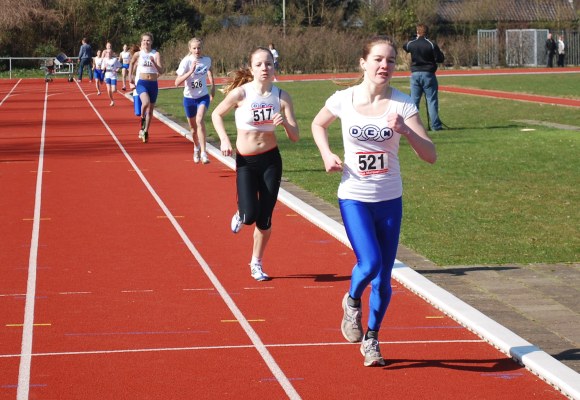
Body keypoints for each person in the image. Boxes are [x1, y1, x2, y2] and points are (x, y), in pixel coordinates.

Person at [311, 35, 437, 366]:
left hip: (389, 199)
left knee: (383, 278)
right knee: (370, 264)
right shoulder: (343, 99)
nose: (385, 65)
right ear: (363, 62)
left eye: (391, 60)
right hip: (355, 197)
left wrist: (406, 131)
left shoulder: (403, 105)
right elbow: (318, 124)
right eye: (378, 59)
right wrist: (326, 154)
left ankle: (372, 338)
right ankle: (352, 301)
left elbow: (430, 155)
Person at [211, 46, 299, 281]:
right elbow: (216, 114)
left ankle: (256, 263)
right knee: (249, 216)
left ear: (274, 66)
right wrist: (224, 139)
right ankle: (241, 212)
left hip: (271, 161)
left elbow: (295, 136)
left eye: (268, 63)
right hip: (246, 163)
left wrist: (284, 124)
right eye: (259, 64)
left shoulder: (281, 97)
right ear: (251, 69)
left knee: (265, 218)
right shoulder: (241, 94)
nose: (264, 68)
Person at [175, 37, 216, 164]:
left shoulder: (207, 60)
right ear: (190, 49)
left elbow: (210, 71)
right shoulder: (186, 62)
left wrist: (213, 86)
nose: (197, 50)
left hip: (203, 97)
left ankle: (204, 153)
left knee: (199, 120)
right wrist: (190, 71)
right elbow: (177, 82)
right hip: (189, 99)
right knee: (193, 129)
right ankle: (196, 147)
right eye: (194, 48)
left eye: (199, 48)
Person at [403, 24, 445, 131]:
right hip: (428, 74)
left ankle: (412, 125)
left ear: (417, 31)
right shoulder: (431, 44)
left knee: (414, 101)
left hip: (415, 74)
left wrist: (414, 38)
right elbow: (440, 59)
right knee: (431, 100)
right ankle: (435, 126)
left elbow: (405, 46)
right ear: (427, 32)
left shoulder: (412, 43)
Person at [129, 32, 164, 143]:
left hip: (153, 84)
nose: (146, 42)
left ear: (151, 42)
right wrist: (130, 77)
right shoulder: (138, 54)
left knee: (150, 110)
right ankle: (142, 117)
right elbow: (131, 63)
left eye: (148, 40)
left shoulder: (156, 54)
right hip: (142, 83)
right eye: (144, 40)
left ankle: (145, 131)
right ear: (141, 42)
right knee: (146, 103)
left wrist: (154, 62)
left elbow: (161, 71)